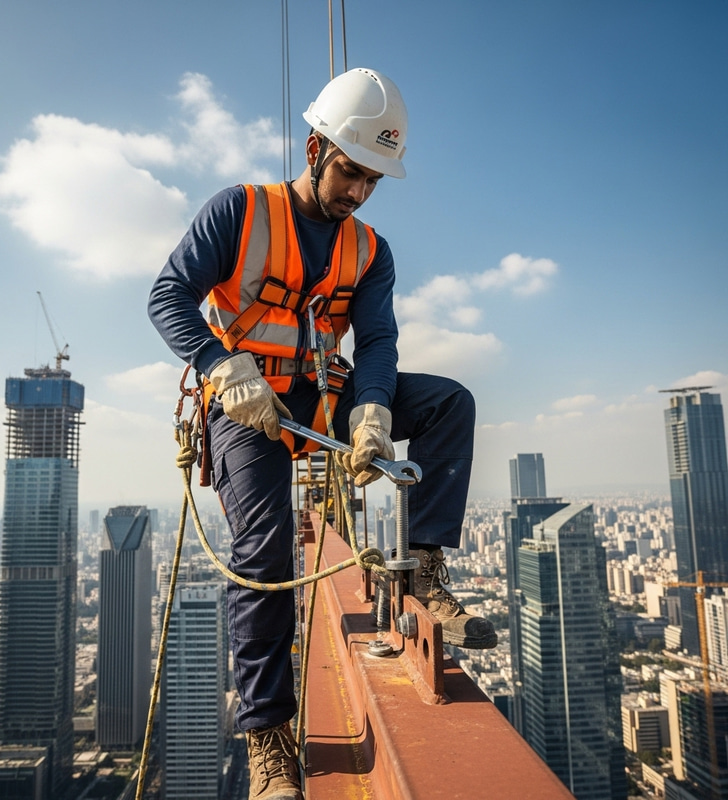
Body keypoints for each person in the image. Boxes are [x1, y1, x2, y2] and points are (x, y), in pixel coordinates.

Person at [148, 67, 496, 800]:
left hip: (319, 396)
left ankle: (423, 569)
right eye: (350, 171)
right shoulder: (240, 211)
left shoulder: (370, 251)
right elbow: (168, 294)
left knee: (448, 403)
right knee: (264, 546)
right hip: (244, 406)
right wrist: (219, 364)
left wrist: (372, 409)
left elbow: (375, 342)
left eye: (373, 180)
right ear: (315, 149)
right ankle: (269, 740)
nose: (360, 191)